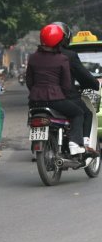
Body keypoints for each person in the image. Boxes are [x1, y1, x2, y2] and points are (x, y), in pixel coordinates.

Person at [26, 24, 85, 155]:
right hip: (55, 100)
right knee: (78, 113)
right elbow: (66, 85)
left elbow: (29, 82)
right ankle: (75, 143)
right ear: (60, 40)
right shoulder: (62, 59)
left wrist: (36, 92)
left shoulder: (33, 58)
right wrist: (62, 94)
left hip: (35, 102)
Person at [52, 21, 101, 153]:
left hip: (38, 99)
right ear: (65, 37)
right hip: (64, 98)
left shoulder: (37, 56)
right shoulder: (69, 55)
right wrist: (94, 84)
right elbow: (83, 75)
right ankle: (81, 144)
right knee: (83, 113)